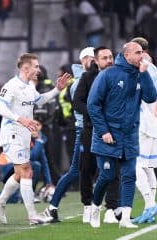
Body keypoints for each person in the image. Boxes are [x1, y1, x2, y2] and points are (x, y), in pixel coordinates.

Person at [0, 53, 70, 225]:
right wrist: (20, 119)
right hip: (11, 134)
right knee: (27, 171)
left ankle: (0, 201)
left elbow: (40, 100)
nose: (38, 70)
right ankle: (33, 215)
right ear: (25, 68)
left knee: (20, 174)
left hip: (25, 135)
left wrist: (57, 89)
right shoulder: (11, 85)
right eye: (35, 66)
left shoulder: (29, 87)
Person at [87, 41, 157, 228]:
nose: (141, 56)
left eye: (142, 52)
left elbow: (151, 97)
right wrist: (104, 132)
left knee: (129, 176)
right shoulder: (108, 74)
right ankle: (95, 207)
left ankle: (125, 219)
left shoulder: (140, 74)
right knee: (107, 176)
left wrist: (144, 73)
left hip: (130, 135)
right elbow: (93, 105)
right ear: (127, 55)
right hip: (108, 137)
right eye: (137, 52)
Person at [43, 47, 95, 223]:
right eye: (90, 58)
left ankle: (110, 208)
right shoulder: (79, 81)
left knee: (94, 170)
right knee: (76, 171)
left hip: (92, 129)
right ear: (83, 61)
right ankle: (53, 207)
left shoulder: (92, 77)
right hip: (82, 129)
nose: (94, 61)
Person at [73, 46, 119, 224]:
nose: (109, 60)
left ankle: (111, 209)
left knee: (112, 170)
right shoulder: (87, 77)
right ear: (96, 61)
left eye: (111, 57)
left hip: (113, 130)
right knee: (87, 168)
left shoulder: (119, 77)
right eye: (105, 58)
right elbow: (77, 102)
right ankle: (87, 205)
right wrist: (96, 115)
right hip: (90, 129)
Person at [130, 37, 157, 224]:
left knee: (135, 165)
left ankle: (150, 205)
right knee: (148, 167)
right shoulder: (154, 67)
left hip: (142, 120)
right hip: (152, 120)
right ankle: (151, 207)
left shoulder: (142, 64)